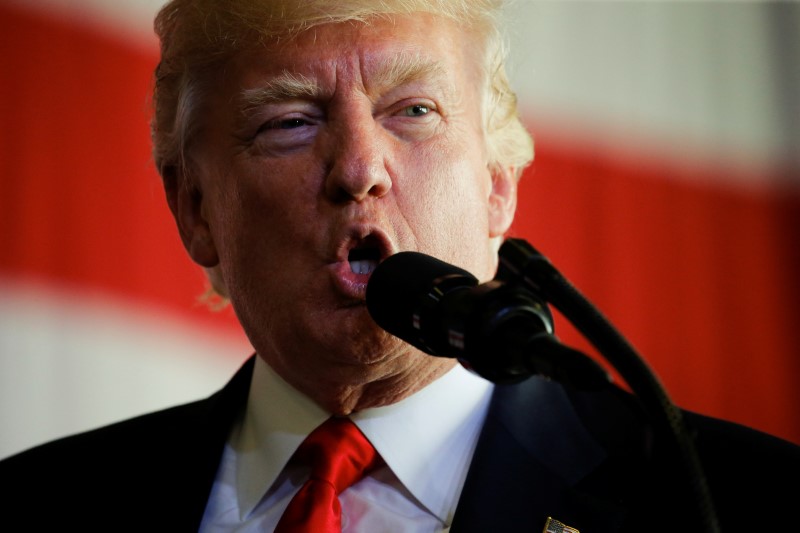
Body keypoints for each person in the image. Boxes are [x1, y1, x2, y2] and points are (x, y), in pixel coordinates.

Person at [2, 1, 799, 531]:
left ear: (497, 186)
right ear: (196, 210)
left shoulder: (729, 502)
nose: (359, 167)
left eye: (413, 111)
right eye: (288, 121)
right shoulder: (47, 504)